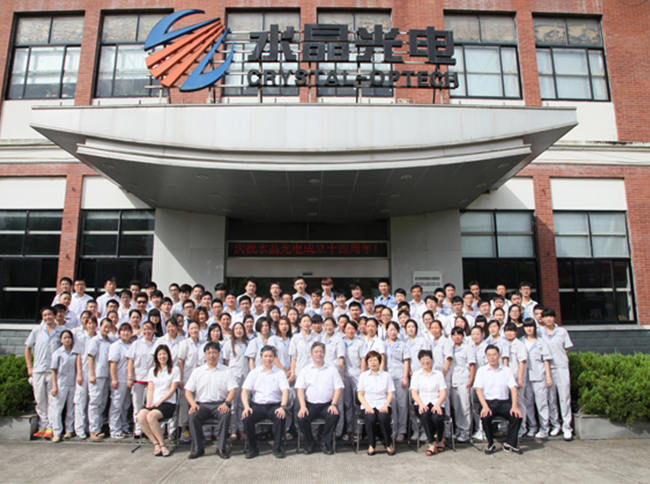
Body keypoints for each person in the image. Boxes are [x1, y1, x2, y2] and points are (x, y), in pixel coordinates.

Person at [186, 342, 238, 460]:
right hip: (201, 405)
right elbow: (188, 391)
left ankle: (221, 448)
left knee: (225, 414)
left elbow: (233, 389)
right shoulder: (198, 371)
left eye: (214, 352)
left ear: (219, 354)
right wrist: (193, 404)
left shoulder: (226, 370)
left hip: (219, 404)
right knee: (193, 415)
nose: (211, 355)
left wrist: (227, 403)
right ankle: (198, 448)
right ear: (205, 355)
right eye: (209, 353)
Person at [241, 345, 290, 459]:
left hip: (274, 405)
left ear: (274, 358)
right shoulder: (254, 372)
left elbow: (285, 391)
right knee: (247, 418)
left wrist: (282, 407)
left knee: (280, 416)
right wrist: (246, 407)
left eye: (271, 356)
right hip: (258, 406)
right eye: (266, 356)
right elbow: (244, 391)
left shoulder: (279, 373)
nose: (268, 358)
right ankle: (252, 448)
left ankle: (277, 448)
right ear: (261, 358)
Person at [473, 344, 523, 454]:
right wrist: (484, 406)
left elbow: (513, 388)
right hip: (488, 402)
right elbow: (478, 390)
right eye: (489, 355)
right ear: (486, 356)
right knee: (485, 417)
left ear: (499, 355)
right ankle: (490, 444)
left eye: (494, 355)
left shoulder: (506, 370)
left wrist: (514, 406)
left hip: (504, 402)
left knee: (517, 416)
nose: (492, 357)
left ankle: (510, 443)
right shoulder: (481, 371)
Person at [296, 342, 344, 455]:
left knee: (334, 415)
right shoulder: (305, 370)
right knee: (301, 418)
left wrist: (334, 404)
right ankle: (309, 443)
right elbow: (300, 389)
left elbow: (338, 388)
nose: (319, 354)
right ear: (311, 354)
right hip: (310, 405)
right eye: (316, 352)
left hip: (327, 405)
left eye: (321, 352)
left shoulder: (332, 369)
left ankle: (325, 442)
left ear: (324, 353)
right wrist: (302, 407)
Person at [25, 307, 63, 439]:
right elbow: (28, 348)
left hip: (53, 371)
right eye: (44, 315)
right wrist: (29, 367)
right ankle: (42, 426)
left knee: (53, 400)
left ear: (55, 316)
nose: (47, 317)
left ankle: (51, 427)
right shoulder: (37, 331)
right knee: (40, 400)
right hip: (38, 370)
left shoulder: (61, 332)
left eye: (49, 314)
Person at [137, 345, 181, 457]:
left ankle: (162, 445)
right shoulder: (152, 371)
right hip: (154, 403)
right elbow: (150, 388)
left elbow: (172, 389)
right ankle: (155, 443)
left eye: (164, 354)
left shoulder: (174, 370)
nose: (162, 356)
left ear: (168, 355)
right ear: (156, 357)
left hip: (168, 403)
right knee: (140, 416)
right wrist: (148, 403)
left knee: (151, 416)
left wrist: (160, 401)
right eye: (160, 354)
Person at [541, 308, 574, 441]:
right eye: (546, 317)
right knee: (551, 398)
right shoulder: (539, 332)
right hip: (546, 369)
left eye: (551, 316)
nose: (548, 319)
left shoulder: (562, 331)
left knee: (564, 397)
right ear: (542, 319)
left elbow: (566, 349)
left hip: (561, 368)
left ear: (554, 318)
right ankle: (555, 425)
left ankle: (567, 427)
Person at [357, 350, 396, 456]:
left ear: (379, 361)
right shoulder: (363, 376)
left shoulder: (386, 375)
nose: (373, 363)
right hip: (368, 405)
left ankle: (388, 444)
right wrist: (367, 407)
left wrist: (386, 405)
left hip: (383, 404)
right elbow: (360, 394)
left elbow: (390, 393)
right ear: (367, 363)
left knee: (383, 417)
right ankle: (371, 445)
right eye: (370, 360)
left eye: (375, 360)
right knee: (370, 418)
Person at [410, 349, 448, 455]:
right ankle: (432, 443)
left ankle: (440, 438)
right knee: (425, 415)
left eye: (427, 359)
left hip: (437, 402)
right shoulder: (416, 375)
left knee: (436, 418)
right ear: (419, 361)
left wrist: (438, 404)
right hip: (421, 403)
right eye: (423, 359)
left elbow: (443, 392)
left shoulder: (438, 374)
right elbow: (414, 393)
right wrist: (421, 404)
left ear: (431, 360)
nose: (425, 361)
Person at [522, 318, 553, 439]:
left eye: (531, 326)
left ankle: (544, 428)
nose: (529, 329)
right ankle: (532, 426)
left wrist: (548, 376)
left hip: (539, 375)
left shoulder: (541, 342)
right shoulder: (521, 341)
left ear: (535, 327)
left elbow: (546, 360)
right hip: (525, 376)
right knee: (528, 403)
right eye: (526, 326)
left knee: (541, 403)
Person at [127, 320, 157, 438]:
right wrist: (130, 377)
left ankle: (150, 430)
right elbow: (130, 361)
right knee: (138, 406)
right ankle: (138, 430)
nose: (147, 331)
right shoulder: (136, 344)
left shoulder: (158, 342)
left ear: (154, 330)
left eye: (149, 329)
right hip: (138, 379)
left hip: (152, 381)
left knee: (151, 406)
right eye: (144, 329)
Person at [448, 326, 476, 443]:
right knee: (457, 407)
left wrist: (470, 380)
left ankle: (466, 431)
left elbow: (472, 365)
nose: (457, 337)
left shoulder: (467, 348)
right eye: (454, 335)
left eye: (459, 334)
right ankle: (459, 429)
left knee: (465, 407)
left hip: (464, 379)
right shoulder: (450, 348)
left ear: (463, 336)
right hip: (453, 380)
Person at [87, 318, 113, 441]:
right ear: (100, 326)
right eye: (104, 327)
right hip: (97, 376)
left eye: (109, 327)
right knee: (95, 403)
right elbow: (90, 358)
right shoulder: (95, 340)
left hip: (106, 375)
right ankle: (93, 430)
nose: (106, 329)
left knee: (102, 403)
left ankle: (99, 427)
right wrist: (92, 374)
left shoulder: (110, 341)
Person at [222, 321, 248, 440]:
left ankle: (242, 429)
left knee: (243, 404)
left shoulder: (247, 343)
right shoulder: (228, 344)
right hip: (233, 376)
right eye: (236, 328)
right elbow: (226, 361)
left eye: (240, 328)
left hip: (245, 376)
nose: (238, 330)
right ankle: (233, 430)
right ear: (233, 331)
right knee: (233, 405)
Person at [73, 315, 98, 439]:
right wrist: (79, 373)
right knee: (80, 401)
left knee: (93, 401)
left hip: (95, 373)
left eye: (93, 323)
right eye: (89, 323)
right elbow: (78, 356)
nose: (91, 326)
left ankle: (91, 428)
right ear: (85, 325)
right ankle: (80, 429)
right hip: (83, 371)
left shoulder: (99, 338)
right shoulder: (81, 338)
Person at [384, 321, 410, 442]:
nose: (392, 332)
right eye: (390, 329)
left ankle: (402, 430)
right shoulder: (383, 344)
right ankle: (393, 430)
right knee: (392, 404)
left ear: (398, 331)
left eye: (395, 330)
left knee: (402, 405)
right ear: (386, 331)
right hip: (388, 378)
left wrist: (405, 377)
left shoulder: (403, 345)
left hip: (400, 377)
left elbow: (406, 361)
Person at [49, 330, 76, 442]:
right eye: (65, 338)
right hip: (61, 383)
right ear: (61, 340)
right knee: (57, 408)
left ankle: (69, 430)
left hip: (72, 383)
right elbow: (54, 371)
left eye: (69, 337)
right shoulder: (58, 353)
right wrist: (54, 386)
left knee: (71, 407)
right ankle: (57, 432)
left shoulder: (75, 352)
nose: (67, 340)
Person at [108, 322, 133, 439]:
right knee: (116, 404)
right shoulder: (116, 346)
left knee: (126, 405)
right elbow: (113, 363)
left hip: (129, 379)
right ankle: (114, 429)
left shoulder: (132, 345)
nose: (125, 333)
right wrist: (114, 379)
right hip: (119, 379)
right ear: (119, 333)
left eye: (128, 330)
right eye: (123, 330)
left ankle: (124, 426)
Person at [342, 320, 365, 441]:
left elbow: (363, 359)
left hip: (357, 376)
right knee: (347, 404)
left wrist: (362, 376)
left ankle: (357, 431)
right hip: (345, 376)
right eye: (348, 328)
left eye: (352, 329)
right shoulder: (341, 341)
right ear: (344, 329)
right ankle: (349, 430)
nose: (350, 331)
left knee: (357, 404)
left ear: (356, 330)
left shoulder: (360, 343)